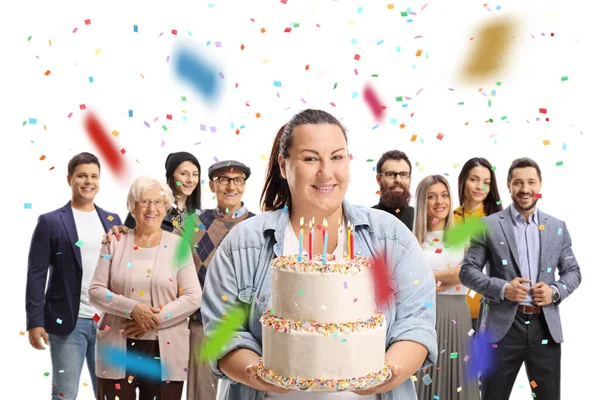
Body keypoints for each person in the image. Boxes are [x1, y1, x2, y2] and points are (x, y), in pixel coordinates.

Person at [201, 109, 437, 400]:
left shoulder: (391, 237)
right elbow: (222, 333)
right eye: (310, 158)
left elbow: (416, 323)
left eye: (337, 157)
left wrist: (388, 372)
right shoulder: (243, 244)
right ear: (283, 165)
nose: (326, 172)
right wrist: (260, 373)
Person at [460, 157, 582, 400]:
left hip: (545, 329)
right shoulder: (488, 225)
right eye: (518, 183)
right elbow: (467, 270)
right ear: (508, 186)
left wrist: (554, 292)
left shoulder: (558, 227)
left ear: (540, 185)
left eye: (531, 182)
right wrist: (502, 288)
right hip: (502, 329)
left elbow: (573, 272)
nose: (525, 189)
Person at [89, 175, 202, 399]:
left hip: (165, 349)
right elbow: (96, 291)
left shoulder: (178, 245)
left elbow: (193, 296)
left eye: (159, 202)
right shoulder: (115, 241)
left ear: (166, 207)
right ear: (133, 207)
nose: (152, 208)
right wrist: (133, 309)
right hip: (117, 350)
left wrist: (153, 320)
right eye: (144, 201)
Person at [25, 152, 122, 400]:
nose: (88, 181)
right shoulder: (51, 221)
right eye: (81, 176)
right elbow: (36, 273)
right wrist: (35, 322)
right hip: (68, 321)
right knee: (65, 393)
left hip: (108, 322)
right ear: (70, 179)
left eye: (94, 176)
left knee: (110, 394)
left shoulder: (113, 220)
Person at [187, 160, 256, 400]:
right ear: (212, 185)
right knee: (201, 394)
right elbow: (157, 236)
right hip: (202, 323)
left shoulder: (257, 225)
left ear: (245, 185)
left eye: (238, 180)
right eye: (224, 180)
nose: (231, 186)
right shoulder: (192, 223)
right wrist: (124, 229)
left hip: (247, 328)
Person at [412, 175, 480, 400]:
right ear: (423, 201)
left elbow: (465, 274)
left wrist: (428, 280)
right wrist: (448, 278)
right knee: (423, 378)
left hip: (458, 316)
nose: (439, 202)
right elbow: (410, 283)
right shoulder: (413, 241)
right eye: (432, 196)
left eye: (444, 195)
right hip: (423, 317)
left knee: (459, 377)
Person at [454, 157, 503, 332]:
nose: (480, 187)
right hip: (452, 310)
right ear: (463, 181)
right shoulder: (449, 219)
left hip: (490, 312)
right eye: (473, 179)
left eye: (486, 182)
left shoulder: (499, 222)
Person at [124, 151, 202, 232]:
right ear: (171, 176)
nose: (190, 180)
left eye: (195, 174)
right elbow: (125, 237)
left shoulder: (199, 216)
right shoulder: (147, 205)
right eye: (183, 174)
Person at [373, 150, 415, 231]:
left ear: (410, 179)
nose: (398, 180)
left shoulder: (421, 219)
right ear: (378, 179)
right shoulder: (367, 219)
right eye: (391, 174)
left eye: (403, 174)